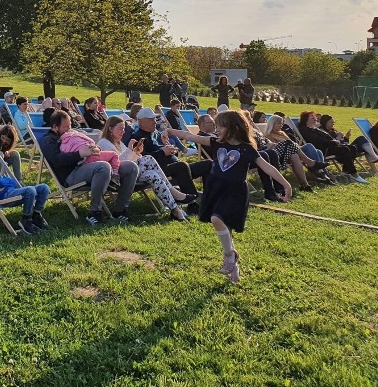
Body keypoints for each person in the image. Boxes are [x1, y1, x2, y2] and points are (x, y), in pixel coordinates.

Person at [168, 111, 292, 283]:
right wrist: (171, 131)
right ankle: (234, 267)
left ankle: (229, 255)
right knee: (227, 232)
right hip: (215, 189)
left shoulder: (247, 149)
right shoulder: (215, 143)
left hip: (235, 192)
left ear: (233, 128)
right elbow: (190, 136)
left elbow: (267, 167)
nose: (216, 129)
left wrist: (286, 184)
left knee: (216, 219)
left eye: (220, 126)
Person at [41, 110, 131, 226]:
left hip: (89, 164)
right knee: (103, 167)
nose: (69, 129)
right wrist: (80, 154)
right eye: (65, 127)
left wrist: (95, 149)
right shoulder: (49, 140)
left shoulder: (73, 134)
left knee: (130, 167)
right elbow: (57, 160)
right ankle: (94, 212)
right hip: (71, 174)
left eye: (70, 126)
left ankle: (120, 210)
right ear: (54, 127)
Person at [98, 117, 193, 221]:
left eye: (124, 129)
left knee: (153, 175)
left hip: (132, 174)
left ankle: (176, 211)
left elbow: (129, 160)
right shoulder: (103, 143)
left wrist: (136, 153)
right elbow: (117, 163)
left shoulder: (119, 143)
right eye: (120, 129)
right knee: (148, 158)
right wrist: (130, 150)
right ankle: (173, 192)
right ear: (110, 129)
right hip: (118, 177)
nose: (123, 132)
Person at [132, 107, 206, 212]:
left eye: (154, 119)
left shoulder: (157, 133)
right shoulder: (138, 138)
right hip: (161, 170)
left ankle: (208, 199)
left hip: (176, 165)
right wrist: (162, 152)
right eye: (151, 119)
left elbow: (166, 148)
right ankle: (192, 203)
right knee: (181, 166)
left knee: (207, 164)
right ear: (141, 122)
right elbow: (142, 158)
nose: (154, 121)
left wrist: (170, 148)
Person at [0, 152, 50, 234]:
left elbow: (13, 182)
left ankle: (36, 214)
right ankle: (26, 218)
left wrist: (4, 181)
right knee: (30, 190)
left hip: (13, 192)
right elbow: (2, 183)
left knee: (44, 188)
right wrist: (4, 181)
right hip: (5, 197)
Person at [298, 111, 361, 181]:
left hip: (329, 147)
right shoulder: (304, 130)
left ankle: (346, 171)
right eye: (312, 118)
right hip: (323, 149)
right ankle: (354, 174)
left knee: (352, 148)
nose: (315, 119)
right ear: (305, 119)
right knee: (345, 149)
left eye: (315, 118)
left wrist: (335, 141)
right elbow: (317, 141)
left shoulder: (315, 129)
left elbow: (328, 137)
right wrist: (332, 142)